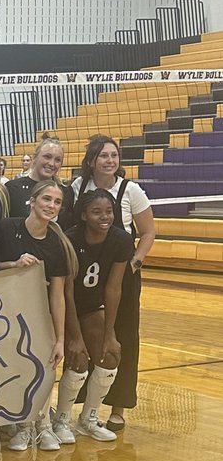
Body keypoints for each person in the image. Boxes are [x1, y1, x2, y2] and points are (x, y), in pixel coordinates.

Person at [69, 134, 154, 431]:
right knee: (84, 335)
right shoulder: (78, 187)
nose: (110, 160)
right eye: (103, 155)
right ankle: (82, 407)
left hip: (122, 273)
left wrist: (135, 263)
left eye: (114, 155)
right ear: (91, 161)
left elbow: (148, 232)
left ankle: (118, 408)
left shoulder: (131, 189)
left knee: (124, 337)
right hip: (87, 275)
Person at [0, 180, 76, 451]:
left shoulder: (56, 243)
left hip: (39, 316)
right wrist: (14, 264)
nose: (51, 206)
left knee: (44, 369)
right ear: (32, 201)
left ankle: (42, 426)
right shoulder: (8, 228)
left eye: (57, 202)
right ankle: (23, 426)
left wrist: (59, 338)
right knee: (16, 370)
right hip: (5, 314)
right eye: (46, 199)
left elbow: (58, 295)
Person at [53, 190, 132, 443]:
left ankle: (88, 418)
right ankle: (61, 420)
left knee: (110, 355)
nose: (104, 217)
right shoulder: (69, 239)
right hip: (63, 307)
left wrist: (110, 334)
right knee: (78, 359)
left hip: (91, 307)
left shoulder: (121, 240)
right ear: (84, 215)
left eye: (108, 211)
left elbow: (113, 288)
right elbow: (66, 292)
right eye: (97, 212)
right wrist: (75, 337)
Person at [5, 137, 73, 225]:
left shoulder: (66, 191)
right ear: (35, 157)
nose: (51, 164)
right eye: (47, 157)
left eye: (58, 160)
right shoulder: (12, 188)